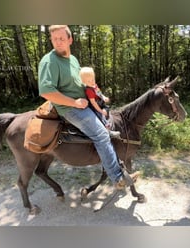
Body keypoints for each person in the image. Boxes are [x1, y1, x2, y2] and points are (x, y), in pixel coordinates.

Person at [38, 25, 139, 190]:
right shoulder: (49, 61)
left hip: (85, 103)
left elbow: (84, 84)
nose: (58, 42)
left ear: (70, 40)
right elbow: (47, 91)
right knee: (101, 135)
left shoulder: (73, 60)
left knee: (108, 119)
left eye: (62, 38)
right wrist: (75, 103)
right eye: (54, 39)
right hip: (70, 109)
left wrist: (97, 96)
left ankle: (111, 153)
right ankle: (118, 178)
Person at [79, 66, 121, 138]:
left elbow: (99, 93)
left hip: (100, 103)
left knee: (107, 110)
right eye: (89, 81)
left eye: (93, 79)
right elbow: (93, 103)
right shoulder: (89, 90)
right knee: (100, 116)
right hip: (95, 107)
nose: (92, 82)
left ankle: (107, 118)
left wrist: (104, 97)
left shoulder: (94, 85)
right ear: (84, 82)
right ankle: (107, 131)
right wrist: (100, 111)